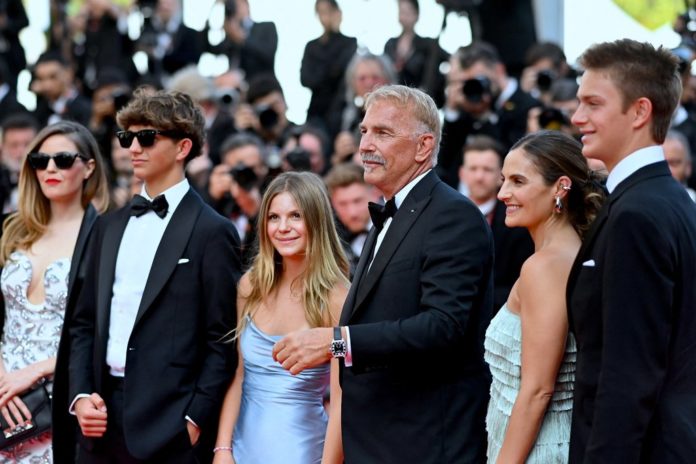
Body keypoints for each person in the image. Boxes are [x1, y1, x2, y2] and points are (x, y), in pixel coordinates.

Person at [273, 85, 494, 463]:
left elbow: (442, 327)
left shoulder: (453, 216)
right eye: (364, 131)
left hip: (423, 446)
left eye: (383, 133)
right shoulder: (389, 216)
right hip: (375, 442)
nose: (365, 145)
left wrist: (335, 342)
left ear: (424, 146)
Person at [68, 88, 242, 463]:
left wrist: (194, 419)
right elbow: (83, 324)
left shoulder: (213, 232)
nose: (133, 147)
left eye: (146, 137)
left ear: (182, 148)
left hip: (171, 427)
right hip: (98, 423)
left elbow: (222, 339)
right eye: (127, 137)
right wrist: (80, 395)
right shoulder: (107, 227)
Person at [568, 39, 696, 462]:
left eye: (593, 103)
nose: (577, 117)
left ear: (640, 111)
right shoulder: (670, 201)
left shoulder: (635, 216)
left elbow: (628, 372)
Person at [212, 171, 349, 464]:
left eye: (295, 216)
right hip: (239, 447)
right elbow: (237, 374)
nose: (283, 227)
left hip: (302, 451)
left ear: (316, 220)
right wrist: (222, 448)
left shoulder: (338, 297)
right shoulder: (251, 285)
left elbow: (340, 398)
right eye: (274, 217)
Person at [485, 130, 605, 463]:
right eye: (504, 180)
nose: (503, 192)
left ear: (560, 187)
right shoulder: (570, 253)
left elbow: (538, 391)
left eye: (518, 181)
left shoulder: (545, 267)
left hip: (537, 449)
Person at [0, 121, 109, 463]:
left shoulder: (106, 236)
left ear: (89, 166)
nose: (49, 168)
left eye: (62, 159)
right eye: (39, 160)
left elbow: (104, 331)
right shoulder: (12, 229)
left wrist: (33, 373)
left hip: (57, 395)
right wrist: (4, 379)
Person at [458, 135, 533, 311]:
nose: (479, 176)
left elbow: (519, 285)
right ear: (462, 173)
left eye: (487, 169)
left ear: (501, 176)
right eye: (473, 168)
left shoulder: (518, 224)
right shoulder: (444, 216)